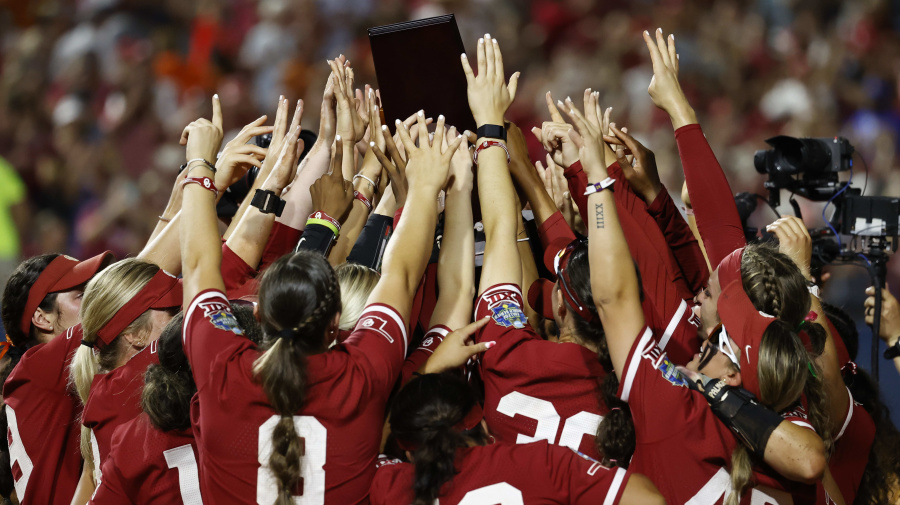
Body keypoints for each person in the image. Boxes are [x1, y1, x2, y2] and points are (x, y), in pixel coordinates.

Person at [178, 55, 463, 504]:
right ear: (337, 323)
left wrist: (199, 162)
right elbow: (401, 274)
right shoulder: (363, 372)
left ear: (257, 311)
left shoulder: (222, 369)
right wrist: (424, 187)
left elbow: (196, 264)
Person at [562, 44, 838, 502]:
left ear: (729, 360)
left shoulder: (685, 404)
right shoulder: (785, 381)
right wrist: (675, 121)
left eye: (708, 296)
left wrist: (591, 174)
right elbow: (713, 246)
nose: (696, 298)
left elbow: (654, 274)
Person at [370, 373, 665, 505]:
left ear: (409, 453)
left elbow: (382, 442)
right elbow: (648, 500)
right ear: (482, 424)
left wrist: (429, 370)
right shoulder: (539, 463)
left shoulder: (389, 487)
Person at [0, 251, 113, 505]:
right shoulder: (37, 368)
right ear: (42, 318)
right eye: (83, 295)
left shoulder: (51, 374)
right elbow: (132, 290)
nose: (98, 298)